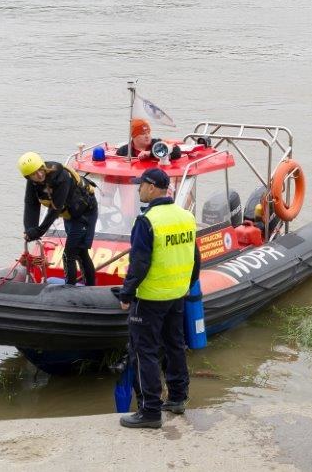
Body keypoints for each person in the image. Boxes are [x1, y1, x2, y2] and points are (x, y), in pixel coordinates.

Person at [117, 168, 200, 429]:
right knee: (175, 345)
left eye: (140, 184)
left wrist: (126, 293)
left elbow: (139, 263)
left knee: (145, 352)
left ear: (152, 188)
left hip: (151, 298)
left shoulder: (147, 221)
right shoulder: (186, 217)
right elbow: (195, 258)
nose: (138, 188)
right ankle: (177, 398)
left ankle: (150, 410)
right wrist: (188, 285)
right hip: (176, 295)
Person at [19, 151, 99, 286]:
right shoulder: (33, 183)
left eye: (40, 170)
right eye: (34, 174)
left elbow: (55, 208)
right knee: (81, 252)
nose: (39, 175)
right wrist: (30, 230)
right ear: (28, 177)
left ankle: (69, 289)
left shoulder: (61, 176)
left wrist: (39, 231)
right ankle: (90, 286)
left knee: (69, 255)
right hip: (70, 215)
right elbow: (31, 205)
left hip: (85, 214)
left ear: (43, 166)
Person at [116, 118, 182, 160]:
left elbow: (177, 152)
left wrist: (150, 153)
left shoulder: (157, 144)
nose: (147, 136)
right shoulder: (123, 151)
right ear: (134, 136)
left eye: (148, 132)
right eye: (143, 133)